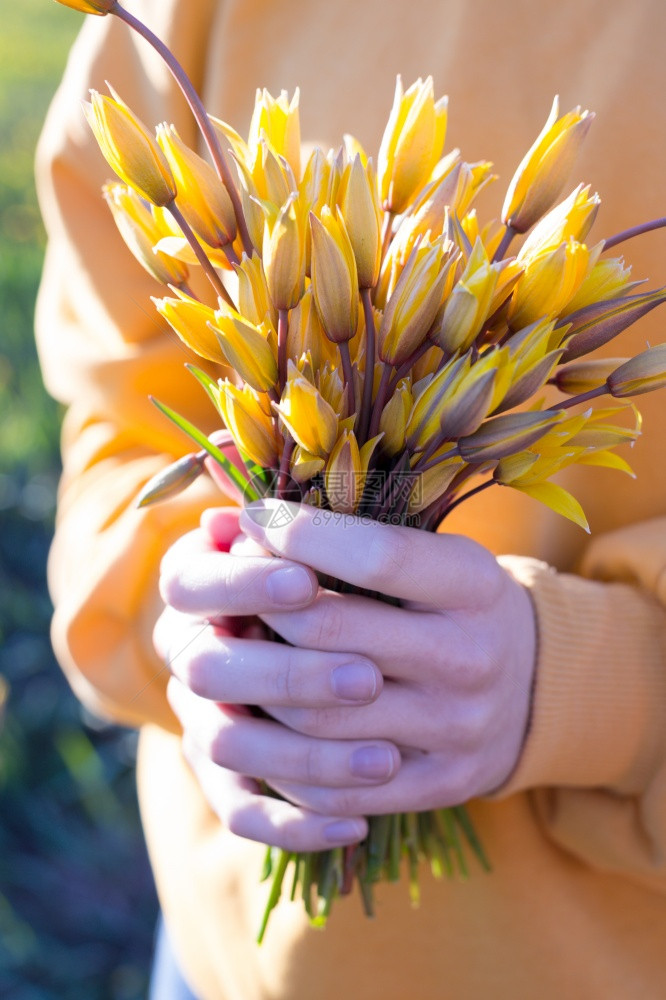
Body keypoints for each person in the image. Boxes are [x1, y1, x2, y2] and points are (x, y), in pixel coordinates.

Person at [36, 1, 666, 997]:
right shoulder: (163, 20)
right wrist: (201, 628)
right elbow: (123, 420)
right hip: (228, 955)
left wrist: (592, 691)